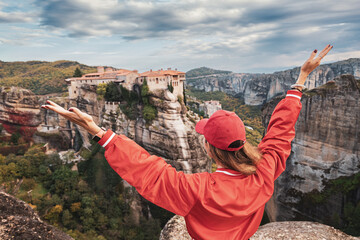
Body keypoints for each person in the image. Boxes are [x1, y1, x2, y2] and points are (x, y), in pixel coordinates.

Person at [42, 44, 333, 240]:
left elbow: (148, 172)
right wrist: (300, 81)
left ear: (209, 147)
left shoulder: (200, 191)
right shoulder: (264, 172)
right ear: (243, 143)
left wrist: (96, 130)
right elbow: (279, 135)